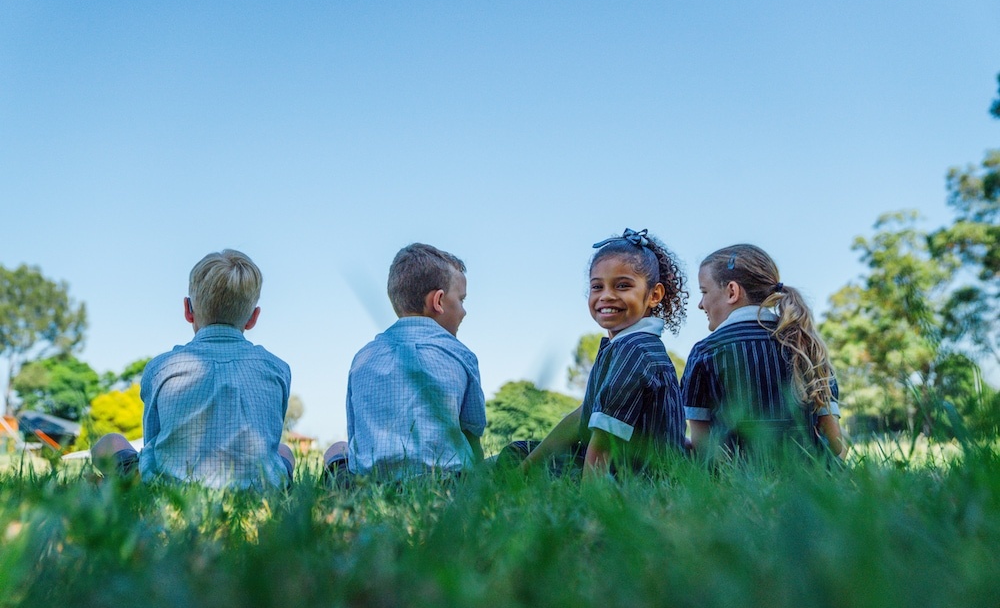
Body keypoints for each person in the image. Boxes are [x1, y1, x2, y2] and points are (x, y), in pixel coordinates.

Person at [91, 249, 295, 490]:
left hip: (169, 489)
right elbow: (270, 437)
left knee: (109, 442)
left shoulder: (161, 368)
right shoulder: (278, 368)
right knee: (285, 451)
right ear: (253, 317)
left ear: (188, 310)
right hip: (259, 490)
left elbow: (153, 443)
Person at [512, 228, 688, 479]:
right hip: (628, 469)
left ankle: (456, 485)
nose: (606, 296)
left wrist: (592, 509)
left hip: (632, 479)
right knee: (521, 453)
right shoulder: (624, 345)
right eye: (597, 286)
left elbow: (605, 441)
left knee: (511, 458)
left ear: (654, 295)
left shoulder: (634, 351)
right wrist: (526, 467)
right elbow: (582, 416)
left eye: (623, 285)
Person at [324, 243, 486, 481]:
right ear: (438, 301)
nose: (464, 311)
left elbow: (356, 435)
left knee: (337, 449)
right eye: (461, 300)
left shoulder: (362, 358)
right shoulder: (461, 356)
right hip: (446, 482)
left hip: (369, 484)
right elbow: (472, 435)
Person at [682, 244, 847, 462]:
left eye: (704, 292)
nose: (700, 304)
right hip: (807, 487)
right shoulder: (805, 346)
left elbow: (704, 449)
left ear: (732, 291)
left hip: (736, 489)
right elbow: (836, 445)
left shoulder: (705, 352)